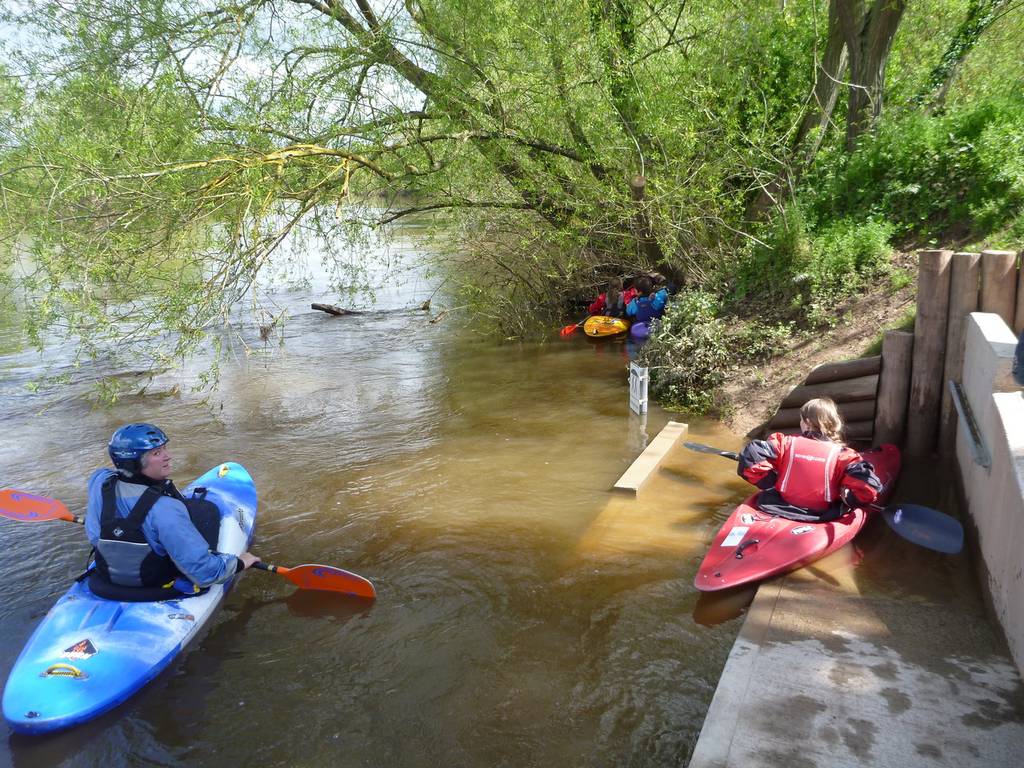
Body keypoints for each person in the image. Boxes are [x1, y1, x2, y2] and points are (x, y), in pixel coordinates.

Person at [84, 423, 259, 601]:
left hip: (107, 577)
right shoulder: (166, 509)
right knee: (203, 512)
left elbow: (94, 536)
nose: (168, 456)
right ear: (133, 462)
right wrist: (238, 563)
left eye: (164, 448)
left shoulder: (99, 482)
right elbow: (205, 573)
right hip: (158, 583)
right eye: (157, 453)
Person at [737, 398, 883, 522]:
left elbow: (751, 456)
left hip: (779, 505)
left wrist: (772, 481)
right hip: (821, 515)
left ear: (807, 422)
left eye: (800, 420)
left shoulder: (785, 443)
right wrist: (850, 499)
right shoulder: (844, 456)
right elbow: (868, 486)